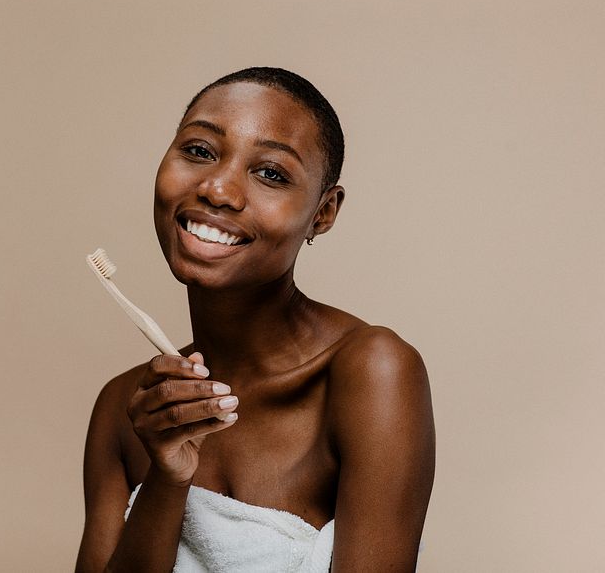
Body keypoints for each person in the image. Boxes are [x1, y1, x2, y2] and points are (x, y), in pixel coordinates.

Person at [75, 67, 435, 572]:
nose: (219, 190)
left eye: (271, 173)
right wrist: (168, 477)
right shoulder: (124, 407)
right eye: (199, 151)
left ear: (323, 213)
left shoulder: (372, 371)